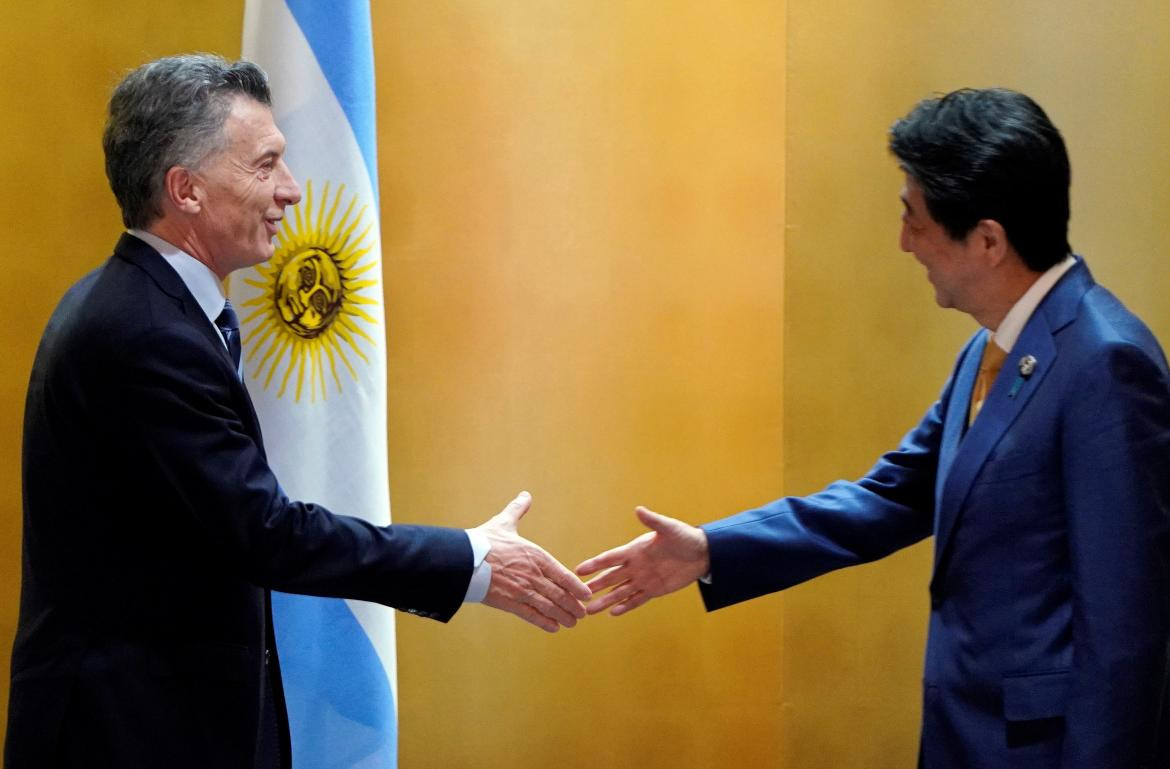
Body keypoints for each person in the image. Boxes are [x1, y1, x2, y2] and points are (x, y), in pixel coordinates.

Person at [5, 54, 590, 769]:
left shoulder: (142, 304)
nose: (292, 191)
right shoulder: (145, 333)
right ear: (185, 189)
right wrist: (467, 559)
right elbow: (265, 533)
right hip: (131, 733)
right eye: (266, 164)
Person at [578, 88, 1170, 768]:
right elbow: (889, 496)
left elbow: (1125, 635)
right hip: (966, 737)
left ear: (987, 240)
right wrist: (712, 550)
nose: (904, 242)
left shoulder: (1106, 362)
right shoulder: (989, 349)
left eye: (914, 220)